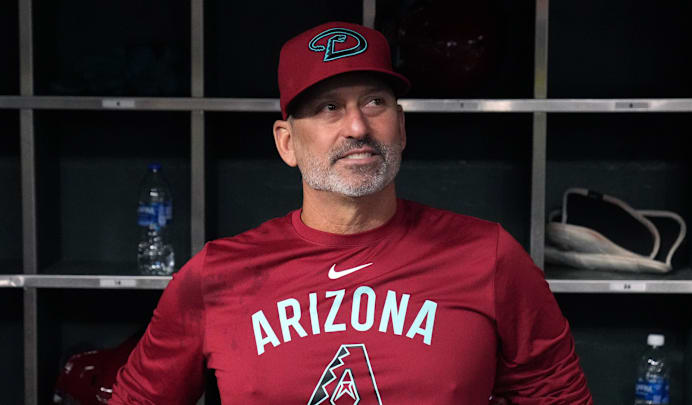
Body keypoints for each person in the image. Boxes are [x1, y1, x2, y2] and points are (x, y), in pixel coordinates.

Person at [110, 21, 592, 404]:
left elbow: (560, 398)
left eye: (375, 102)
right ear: (286, 143)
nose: (358, 126)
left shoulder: (488, 257)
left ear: (400, 127)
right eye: (327, 108)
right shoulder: (216, 276)